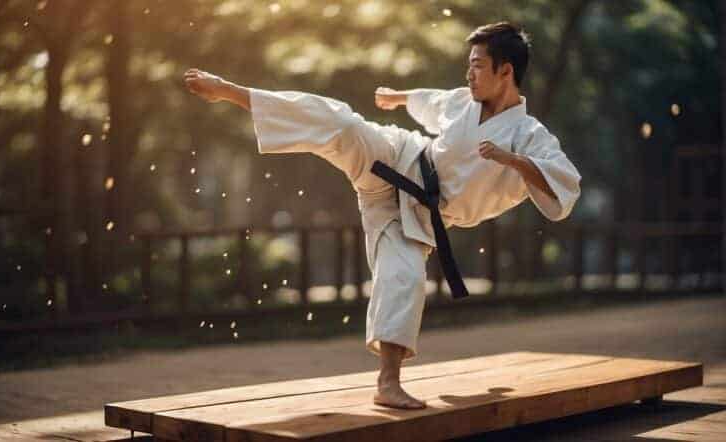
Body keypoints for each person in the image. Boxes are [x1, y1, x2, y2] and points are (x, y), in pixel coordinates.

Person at [183, 21, 581, 410]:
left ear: (505, 71)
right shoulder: (464, 101)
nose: (469, 73)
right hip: (399, 157)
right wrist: (399, 97)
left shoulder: (530, 134)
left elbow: (565, 185)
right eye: (470, 64)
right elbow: (432, 100)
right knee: (341, 123)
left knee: (404, 276)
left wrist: (514, 160)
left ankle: (388, 383)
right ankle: (233, 92)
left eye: (477, 64)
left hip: (421, 216)